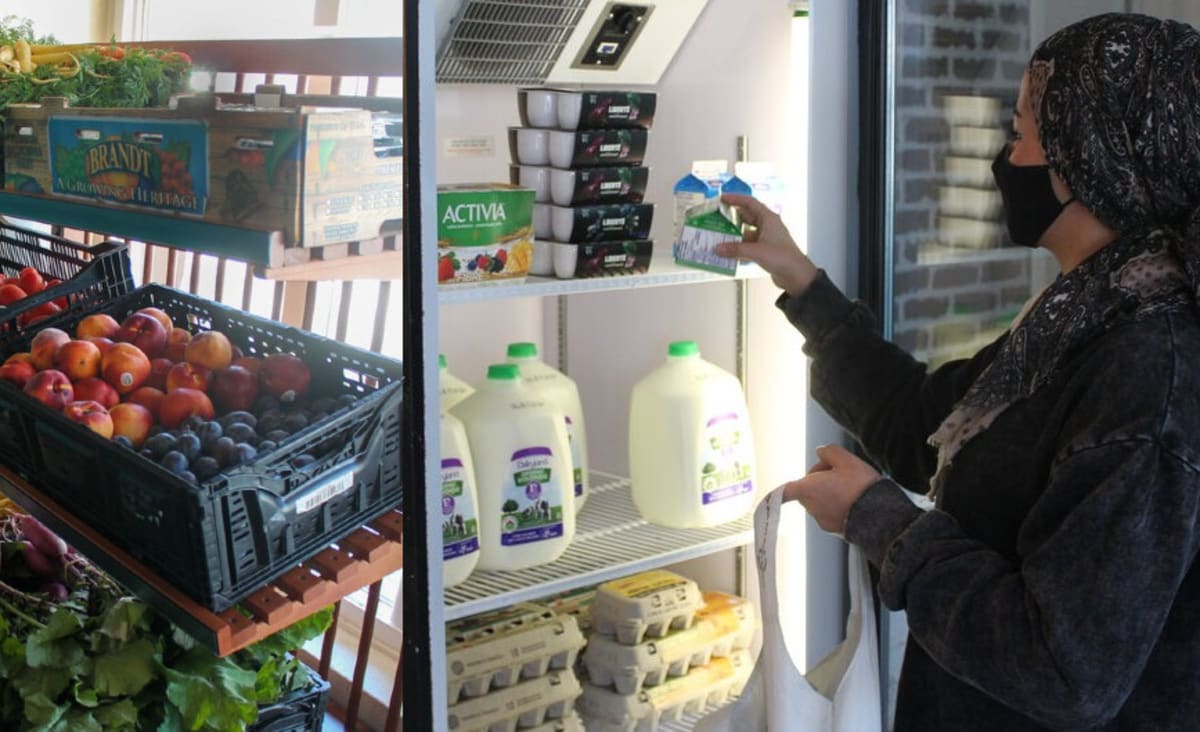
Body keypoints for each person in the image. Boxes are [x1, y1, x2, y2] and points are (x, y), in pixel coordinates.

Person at [716, 12, 1200, 732]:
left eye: (1022, 132)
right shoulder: (1083, 314)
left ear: (1090, 158)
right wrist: (802, 284)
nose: (1005, 158)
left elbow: (1066, 668)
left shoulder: (1145, 368)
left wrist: (880, 523)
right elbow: (923, 424)